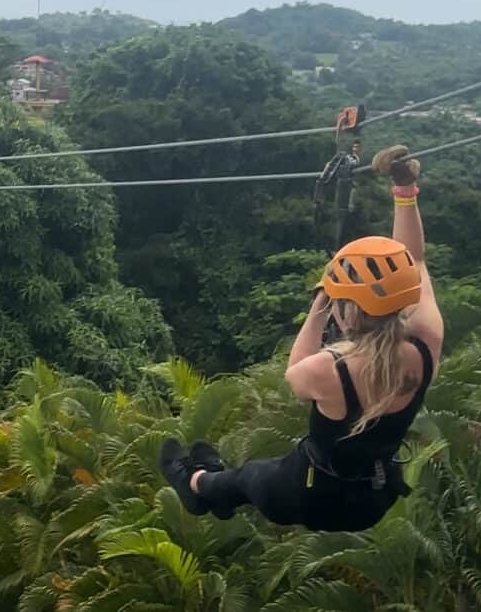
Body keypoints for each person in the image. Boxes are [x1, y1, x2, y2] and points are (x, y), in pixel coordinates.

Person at [159, 145, 444, 532]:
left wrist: (317, 309)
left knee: (247, 477)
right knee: (257, 476)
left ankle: (193, 483)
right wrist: (405, 190)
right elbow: (416, 261)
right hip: (375, 499)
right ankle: (210, 486)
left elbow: (294, 373)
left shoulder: (330, 371)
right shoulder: (427, 343)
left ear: (346, 309)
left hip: (309, 496)